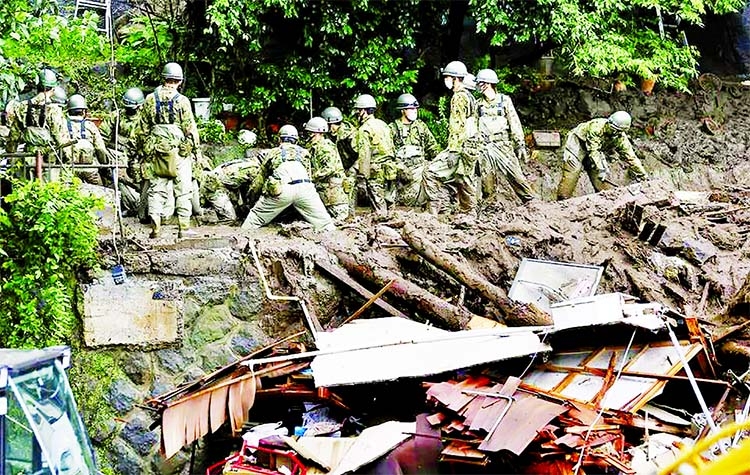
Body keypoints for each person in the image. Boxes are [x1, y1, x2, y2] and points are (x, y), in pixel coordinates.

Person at [136, 62, 202, 238]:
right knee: (183, 189)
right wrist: (194, 151)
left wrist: (145, 152)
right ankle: (183, 228)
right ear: (179, 81)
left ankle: (156, 225)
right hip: (178, 151)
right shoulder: (182, 101)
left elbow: (141, 129)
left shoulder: (150, 99)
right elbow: (190, 129)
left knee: (156, 188)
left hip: (157, 148)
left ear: (163, 78)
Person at [241, 125, 334, 231]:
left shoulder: (273, 152)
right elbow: (309, 175)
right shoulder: (305, 152)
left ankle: (242, 238)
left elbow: (260, 180)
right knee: (326, 225)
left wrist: (251, 199)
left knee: (254, 220)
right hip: (305, 188)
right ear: (296, 141)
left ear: (279, 139)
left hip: (282, 190)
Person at [424, 60, 478, 216]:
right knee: (464, 179)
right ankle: (467, 214)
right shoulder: (470, 96)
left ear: (456, 79)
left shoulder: (459, 98)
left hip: (460, 147)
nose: (446, 80)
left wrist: (454, 151)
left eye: (448, 77)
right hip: (469, 147)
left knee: (431, 173)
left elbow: (457, 125)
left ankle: (436, 212)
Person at [474, 68, 535, 203]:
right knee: (487, 184)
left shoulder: (504, 101)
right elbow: (474, 127)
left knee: (517, 178)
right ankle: (490, 210)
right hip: (485, 148)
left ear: (488, 84)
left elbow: (514, 122)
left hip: (503, 146)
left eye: (481, 83)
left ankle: (533, 204)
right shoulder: (478, 105)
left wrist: (520, 144)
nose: (478, 86)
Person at [557, 111, 648, 200]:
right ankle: (562, 202)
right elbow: (593, 150)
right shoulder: (596, 127)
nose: (614, 133)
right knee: (573, 171)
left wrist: (643, 176)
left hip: (596, 149)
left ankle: (606, 201)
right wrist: (601, 169)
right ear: (608, 123)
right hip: (578, 143)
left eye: (618, 132)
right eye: (613, 129)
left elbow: (631, 157)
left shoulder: (620, 138)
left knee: (601, 179)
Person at [6, 68, 68, 172]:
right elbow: (61, 139)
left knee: (27, 186)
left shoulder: (21, 106)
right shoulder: (54, 110)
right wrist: (67, 158)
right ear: (53, 89)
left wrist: (10, 154)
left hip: (28, 158)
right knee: (50, 187)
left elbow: (14, 135)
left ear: (37, 86)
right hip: (49, 161)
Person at [100, 87, 146, 215]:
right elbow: (102, 136)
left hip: (137, 158)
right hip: (118, 157)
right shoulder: (116, 116)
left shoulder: (144, 118)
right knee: (117, 179)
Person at [388, 93, 439, 207]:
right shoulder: (392, 128)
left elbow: (432, 147)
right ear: (402, 110)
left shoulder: (421, 127)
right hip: (400, 171)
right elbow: (388, 152)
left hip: (418, 169)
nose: (414, 111)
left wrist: (437, 163)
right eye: (411, 108)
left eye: (415, 108)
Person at [201, 129, 263, 222]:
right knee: (230, 218)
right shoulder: (254, 169)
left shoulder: (250, 162)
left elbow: (243, 188)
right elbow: (252, 193)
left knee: (238, 212)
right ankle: (204, 218)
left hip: (222, 185)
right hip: (214, 186)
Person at [352, 94, 396, 218]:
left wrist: (362, 178)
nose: (357, 113)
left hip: (375, 171)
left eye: (358, 110)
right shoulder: (383, 124)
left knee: (378, 207)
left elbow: (364, 155)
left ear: (364, 111)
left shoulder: (364, 129)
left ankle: (383, 230)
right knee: (390, 203)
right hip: (390, 168)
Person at [304, 116, 349, 222]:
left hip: (334, 197)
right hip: (326, 193)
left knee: (336, 222)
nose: (308, 136)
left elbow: (330, 168)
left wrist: (312, 177)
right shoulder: (315, 147)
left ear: (315, 133)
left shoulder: (325, 147)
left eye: (310, 133)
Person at [63, 94, 109, 185]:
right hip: (89, 169)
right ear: (83, 111)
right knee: (100, 192)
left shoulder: (62, 124)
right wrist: (105, 164)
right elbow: (100, 149)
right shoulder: (90, 126)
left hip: (69, 168)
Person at [322, 106, 358, 215]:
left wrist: (353, 171)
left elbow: (362, 155)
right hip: (338, 167)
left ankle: (350, 214)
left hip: (352, 166)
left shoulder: (350, 135)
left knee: (349, 186)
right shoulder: (327, 135)